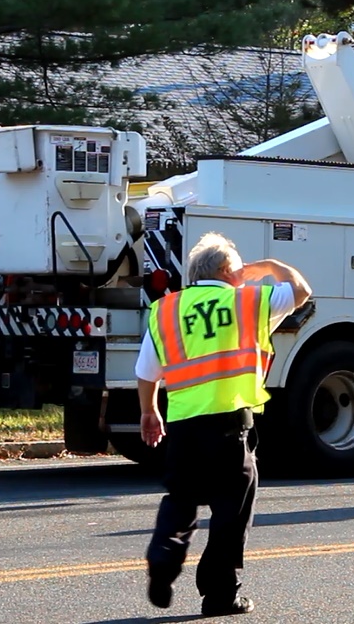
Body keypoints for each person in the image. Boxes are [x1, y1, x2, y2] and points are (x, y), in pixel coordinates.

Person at [135, 231, 311, 617]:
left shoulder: (167, 310)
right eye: (239, 267)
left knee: (181, 498)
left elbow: (147, 371)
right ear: (228, 270)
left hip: (184, 424)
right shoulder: (248, 301)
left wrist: (149, 411)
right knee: (232, 509)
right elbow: (301, 290)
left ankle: (163, 558)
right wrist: (268, 266)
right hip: (231, 425)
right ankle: (219, 594)